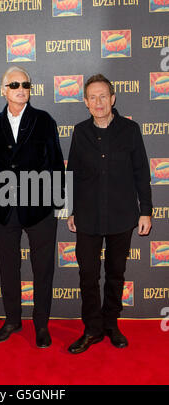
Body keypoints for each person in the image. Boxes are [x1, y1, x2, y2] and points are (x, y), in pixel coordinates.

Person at [67, 74, 152, 354]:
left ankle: (111, 324)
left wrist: (146, 211)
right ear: (86, 102)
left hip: (122, 215)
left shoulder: (130, 129)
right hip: (88, 217)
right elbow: (73, 175)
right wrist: (71, 211)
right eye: (93, 97)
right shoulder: (80, 132)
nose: (99, 101)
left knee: (116, 273)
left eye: (104, 96)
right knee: (88, 274)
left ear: (113, 99)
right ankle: (92, 328)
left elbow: (141, 172)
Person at [0, 66, 65, 348]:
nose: (21, 89)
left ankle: (41, 325)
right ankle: (12, 321)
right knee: (8, 268)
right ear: (3, 89)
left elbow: (55, 163)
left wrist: (59, 204)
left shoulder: (44, 120)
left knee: (43, 269)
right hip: (3, 209)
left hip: (39, 209)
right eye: (14, 84)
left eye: (26, 84)